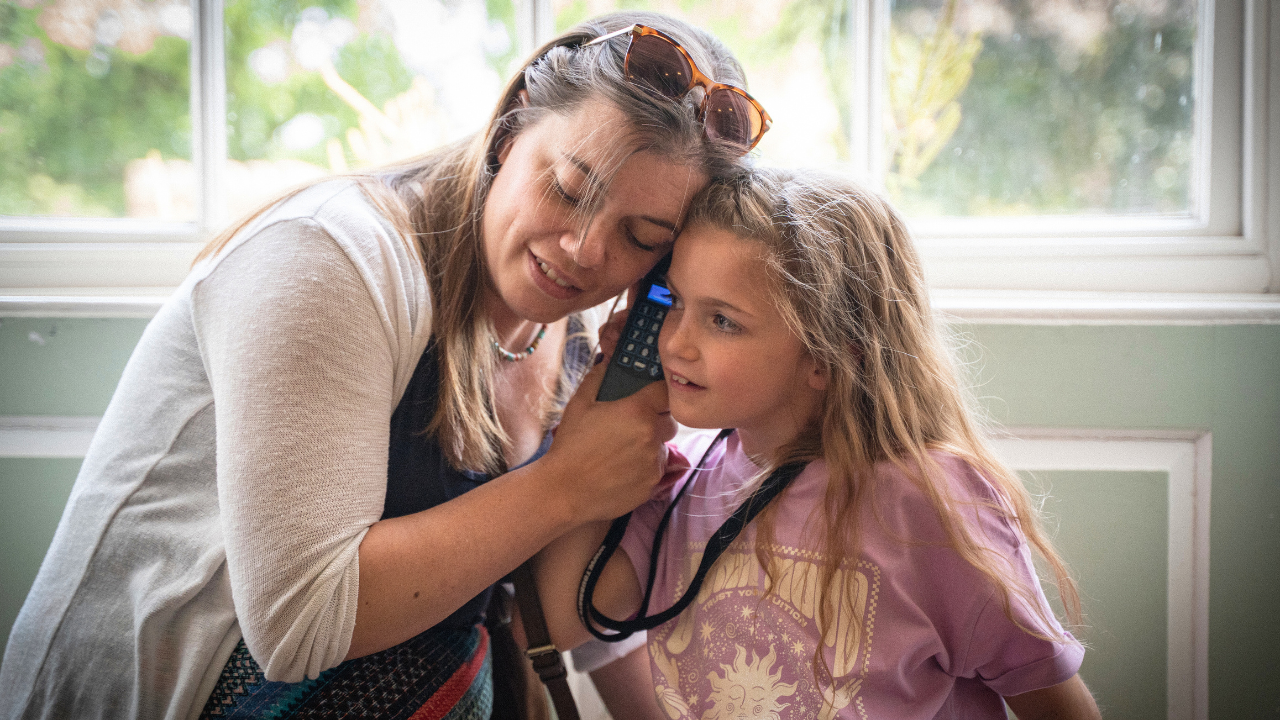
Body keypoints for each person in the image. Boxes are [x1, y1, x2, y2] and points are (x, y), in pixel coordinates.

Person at [0, 12, 770, 720]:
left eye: (640, 237)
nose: (586, 251)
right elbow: (302, 624)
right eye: (568, 189)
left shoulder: (573, 341)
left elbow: (562, 616)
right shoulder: (331, 259)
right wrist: (566, 484)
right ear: (508, 134)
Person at [536, 167, 1104, 719]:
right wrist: (615, 389)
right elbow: (561, 618)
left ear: (829, 358)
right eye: (673, 303)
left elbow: (1052, 698)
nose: (677, 343)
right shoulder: (686, 483)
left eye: (722, 321)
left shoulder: (926, 502)